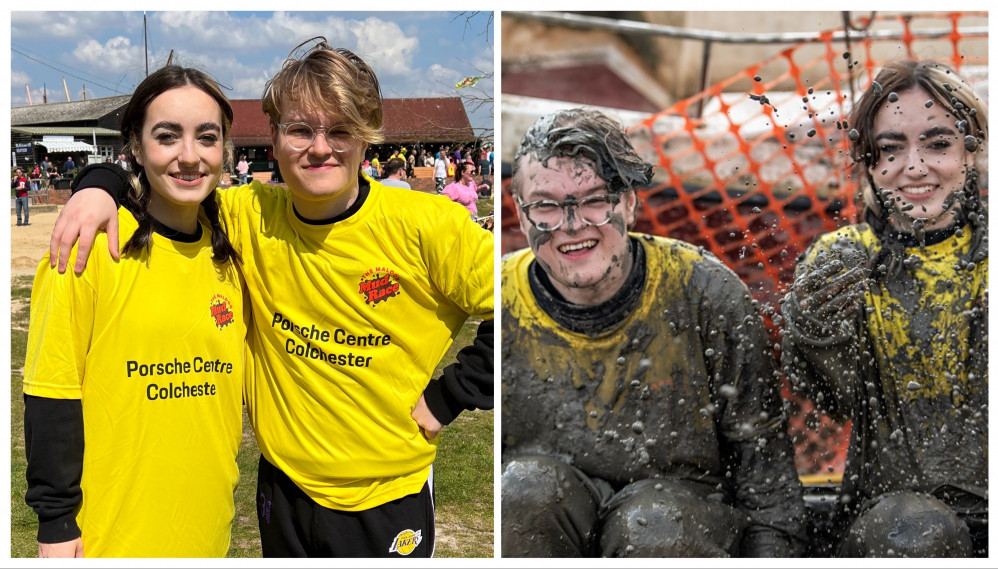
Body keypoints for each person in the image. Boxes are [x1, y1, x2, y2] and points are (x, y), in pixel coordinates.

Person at [50, 38, 494, 559]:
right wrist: (97, 183)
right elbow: (175, 175)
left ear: (368, 137)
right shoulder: (247, 215)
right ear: (276, 136)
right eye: (301, 130)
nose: (320, 148)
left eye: (341, 130)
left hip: (384, 498)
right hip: (282, 489)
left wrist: (454, 394)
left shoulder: (429, 227)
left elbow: (534, 297)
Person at [501, 108, 806, 557]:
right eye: (546, 206)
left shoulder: (706, 293)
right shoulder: (501, 300)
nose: (572, 226)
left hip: (685, 525)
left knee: (656, 524)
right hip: (549, 521)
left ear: (628, 202)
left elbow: (764, 473)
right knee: (524, 492)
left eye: (594, 200)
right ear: (522, 216)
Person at [22, 65, 246, 558]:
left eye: (206, 138)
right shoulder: (87, 248)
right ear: (136, 148)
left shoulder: (234, 250)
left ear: (224, 150)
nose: (190, 156)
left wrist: (99, 180)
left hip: (208, 526)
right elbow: (49, 393)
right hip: (110, 534)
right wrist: (56, 522)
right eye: (167, 136)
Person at [781, 59, 988, 557]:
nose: (913, 167)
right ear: (869, 163)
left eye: (938, 143)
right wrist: (816, 334)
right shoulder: (840, 262)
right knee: (916, 530)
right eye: (891, 149)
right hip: (889, 524)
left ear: (970, 152)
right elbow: (830, 402)